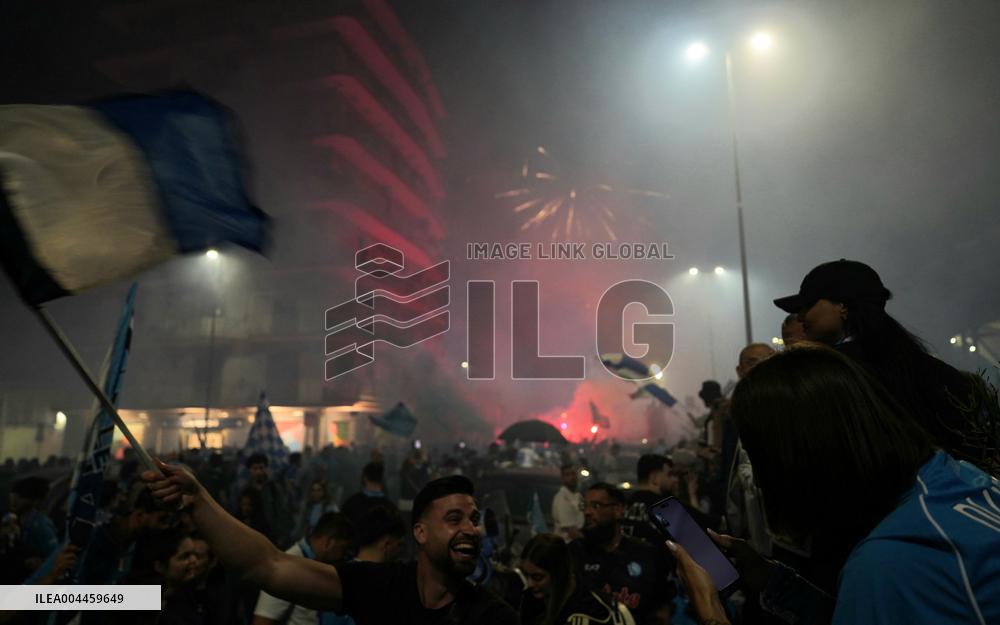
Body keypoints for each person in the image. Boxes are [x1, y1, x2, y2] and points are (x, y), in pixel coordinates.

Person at [672, 345, 1000, 625]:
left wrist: (711, 613)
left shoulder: (890, 564)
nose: (757, 479)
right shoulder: (957, 479)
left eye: (758, 455)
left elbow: (883, 592)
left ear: (798, 456)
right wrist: (775, 582)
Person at [142, 467, 520, 625]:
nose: (471, 530)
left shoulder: (492, 618)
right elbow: (267, 566)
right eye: (454, 519)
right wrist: (199, 502)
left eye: (474, 520)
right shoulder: (383, 587)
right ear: (419, 533)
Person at [774, 258, 1000, 474]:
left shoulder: (825, 374)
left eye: (807, 305)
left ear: (842, 306)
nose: (800, 316)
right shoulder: (926, 367)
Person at [569, 483, 674, 625]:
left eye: (596, 506)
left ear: (618, 510)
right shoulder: (575, 552)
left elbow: (662, 611)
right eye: (585, 506)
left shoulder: (646, 554)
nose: (587, 512)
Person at [253, 512, 356, 625]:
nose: (344, 557)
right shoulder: (290, 567)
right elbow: (262, 621)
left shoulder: (313, 563)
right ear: (328, 543)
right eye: (343, 549)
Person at [519, 533, 635, 625]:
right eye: (526, 575)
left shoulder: (596, 612)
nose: (529, 584)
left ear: (559, 573)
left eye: (537, 577)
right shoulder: (527, 600)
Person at [7, 476, 58, 577]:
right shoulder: (13, 521)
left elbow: (54, 558)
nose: (14, 500)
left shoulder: (40, 526)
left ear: (35, 501)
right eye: (13, 494)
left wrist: (41, 563)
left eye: (21, 496)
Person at [622, 455, 678, 544]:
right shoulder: (664, 506)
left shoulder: (624, 504)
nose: (675, 480)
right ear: (654, 477)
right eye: (669, 474)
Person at [245, 453, 294, 548]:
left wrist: (281, 535)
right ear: (250, 470)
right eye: (255, 468)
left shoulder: (273, 488)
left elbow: (281, 511)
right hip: (252, 535)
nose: (259, 471)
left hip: (271, 536)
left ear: (266, 468)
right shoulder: (246, 490)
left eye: (261, 468)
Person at [340, 462, 398, 527]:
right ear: (382, 479)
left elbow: (341, 527)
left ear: (365, 478)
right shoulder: (391, 508)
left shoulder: (352, 504)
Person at [551, 463, 584, 542]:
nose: (572, 477)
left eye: (573, 474)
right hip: (567, 544)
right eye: (568, 475)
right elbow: (571, 530)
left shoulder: (578, 496)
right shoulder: (562, 497)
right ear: (562, 478)